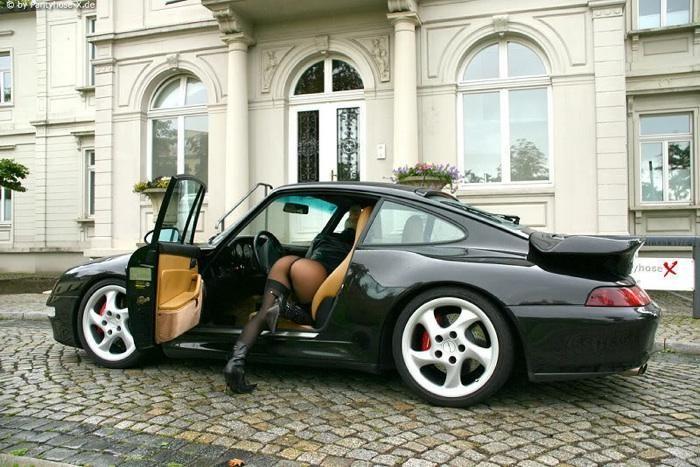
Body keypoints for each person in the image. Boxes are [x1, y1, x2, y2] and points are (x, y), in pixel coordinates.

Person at [223, 205, 362, 393]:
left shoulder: (327, 236)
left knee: (263, 312)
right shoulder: (355, 243)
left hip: (287, 262)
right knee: (311, 315)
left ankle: (235, 362)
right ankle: (285, 309)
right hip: (311, 273)